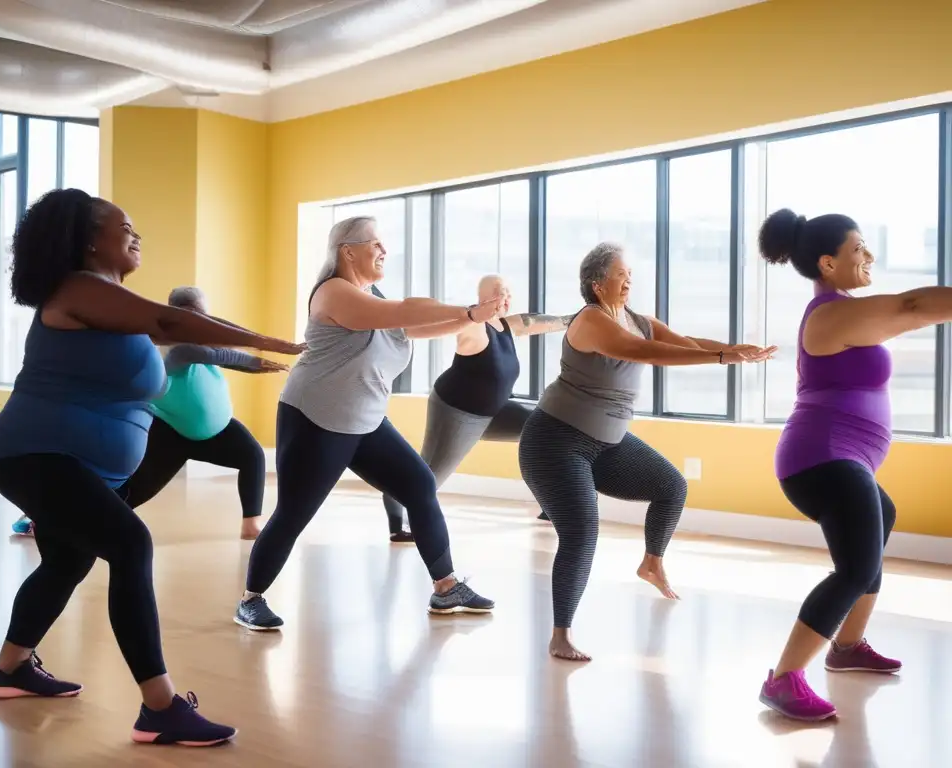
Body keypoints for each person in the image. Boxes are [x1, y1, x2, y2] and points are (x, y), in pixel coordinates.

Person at [0, 188, 303, 746]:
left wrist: (259, 351)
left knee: (65, 563)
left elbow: (186, 326)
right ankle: (160, 707)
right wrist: (278, 341)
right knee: (131, 545)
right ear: (87, 239)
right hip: (35, 454)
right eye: (122, 226)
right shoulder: (77, 289)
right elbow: (173, 322)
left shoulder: (112, 307)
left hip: (71, 461)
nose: (135, 236)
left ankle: (10, 670)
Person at [235, 215, 502, 631]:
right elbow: (403, 311)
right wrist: (468, 310)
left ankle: (446, 586)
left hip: (365, 419)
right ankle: (251, 599)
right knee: (294, 513)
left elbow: (414, 323)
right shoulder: (335, 293)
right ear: (348, 250)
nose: (384, 251)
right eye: (375, 243)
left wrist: (472, 319)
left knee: (419, 486)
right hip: (315, 418)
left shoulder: (369, 293)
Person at [517, 242, 774, 661]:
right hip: (555, 442)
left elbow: (682, 341)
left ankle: (651, 563)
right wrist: (722, 357)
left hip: (607, 443)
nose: (630, 280)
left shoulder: (637, 319)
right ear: (598, 284)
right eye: (622, 274)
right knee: (581, 533)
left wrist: (734, 350)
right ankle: (560, 635)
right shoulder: (591, 321)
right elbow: (645, 353)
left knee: (671, 486)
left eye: (630, 273)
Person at [756, 208, 923, 722]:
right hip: (824, 456)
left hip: (838, 456)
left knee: (879, 520)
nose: (868, 255)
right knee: (853, 568)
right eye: (857, 249)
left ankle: (848, 647)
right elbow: (913, 306)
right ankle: (783, 680)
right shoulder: (831, 312)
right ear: (828, 263)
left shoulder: (843, 308)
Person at [382, 273, 571, 542]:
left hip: (495, 410)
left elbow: (538, 322)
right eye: (499, 291)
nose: (506, 298)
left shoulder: (506, 326)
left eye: (508, 292)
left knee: (544, 430)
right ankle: (394, 503)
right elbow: (439, 323)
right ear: (482, 297)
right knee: (430, 477)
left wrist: (574, 319)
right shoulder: (471, 326)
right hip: (457, 411)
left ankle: (551, 505)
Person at [115, 285, 279, 540]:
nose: (197, 323)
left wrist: (260, 364)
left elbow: (223, 356)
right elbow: (219, 355)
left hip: (217, 432)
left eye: (202, 316)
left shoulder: (201, 339)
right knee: (136, 490)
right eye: (190, 316)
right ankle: (74, 522)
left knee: (253, 456)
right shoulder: (174, 350)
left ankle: (251, 524)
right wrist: (262, 360)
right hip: (171, 433)